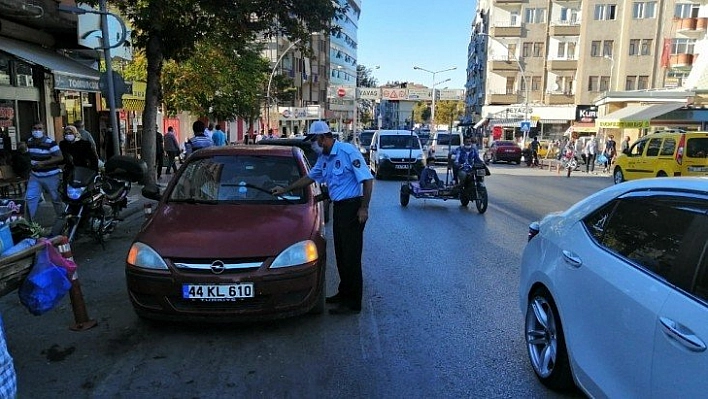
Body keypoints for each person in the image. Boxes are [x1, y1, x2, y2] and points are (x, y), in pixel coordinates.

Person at [272, 121, 373, 315]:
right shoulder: (324, 158)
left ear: (323, 137)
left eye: (314, 140)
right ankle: (343, 293)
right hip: (340, 209)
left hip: (353, 209)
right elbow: (309, 178)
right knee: (341, 256)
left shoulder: (347, 152)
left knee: (351, 257)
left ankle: (353, 302)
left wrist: (364, 208)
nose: (313, 145)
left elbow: (367, 180)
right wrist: (285, 189)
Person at [25, 121, 64, 224]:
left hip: (50, 175)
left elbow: (60, 157)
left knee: (56, 199)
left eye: (39, 129)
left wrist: (44, 163)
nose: (37, 131)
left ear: (44, 130)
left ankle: (63, 220)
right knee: (30, 198)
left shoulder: (50, 142)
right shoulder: (29, 141)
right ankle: (28, 224)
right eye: (35, 128)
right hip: (35, 175)